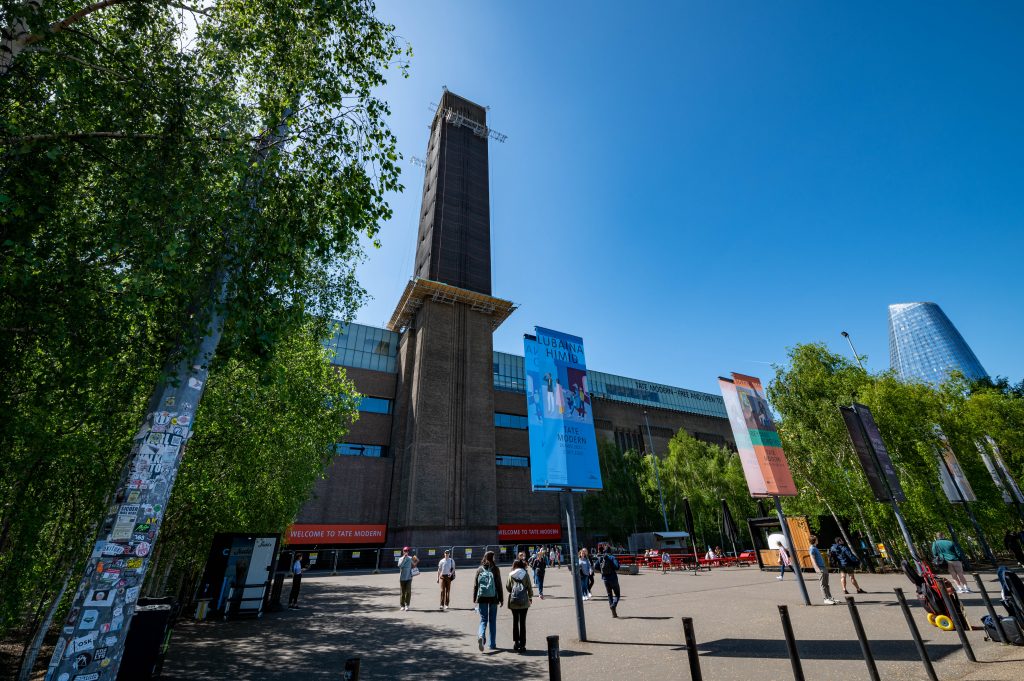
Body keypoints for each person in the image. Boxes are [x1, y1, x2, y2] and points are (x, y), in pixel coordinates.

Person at [473, 551, 504, 652]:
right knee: (492, 621)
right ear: (493, 558)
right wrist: (501, 599)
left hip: (482, 597)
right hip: (493, 597)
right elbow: (499, 585)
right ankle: (492, 644)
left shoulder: (479, 569)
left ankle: (481, 635)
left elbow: (475, 585)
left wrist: (475, 598)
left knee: (483, 619)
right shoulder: (495, 569)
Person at [506, 558, 534, 652]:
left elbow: (508, 587)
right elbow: (529, 586)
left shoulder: (511, 574)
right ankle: (522, 644)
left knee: (515, 622)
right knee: (522, 623)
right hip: (524, 601)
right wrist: (530, 597)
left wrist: (513, 591)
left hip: (513, 602)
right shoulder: (525, 574)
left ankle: (516, 643)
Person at [808, 535, 836, 605]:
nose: (818, 540)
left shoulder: (815, 548)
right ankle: (825, 599)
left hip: (823, 567)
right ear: (814, 540)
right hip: (820, 568)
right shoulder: (812, 548)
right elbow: (812, 559)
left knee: (826, 584)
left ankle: (829, 597)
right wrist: (817, 568)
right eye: (816, 539)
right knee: (823, 584)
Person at [598, 545, 621, 617]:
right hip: (613, 578)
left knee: (609, 594)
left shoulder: (601, 558)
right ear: (610, 551)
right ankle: (614, 605)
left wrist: (602, 571)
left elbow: (596, 566)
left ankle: (613, 611)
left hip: (605, 579)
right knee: (617, 594)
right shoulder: (612, 557)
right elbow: (617, 567)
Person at [397, 546, 419, 611]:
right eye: (405, 551)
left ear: (408, 552)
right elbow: (400, 565)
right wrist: (404, 558)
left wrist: (417, 560)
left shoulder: (410, 558)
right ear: (403, 551)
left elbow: (414, 564)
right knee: (402, 592)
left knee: (408, 592)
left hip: (409, 577)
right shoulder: (400, 559)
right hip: (402, 578)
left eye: (407, 551)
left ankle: (407, 605)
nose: (406, 552)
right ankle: (402, 605)